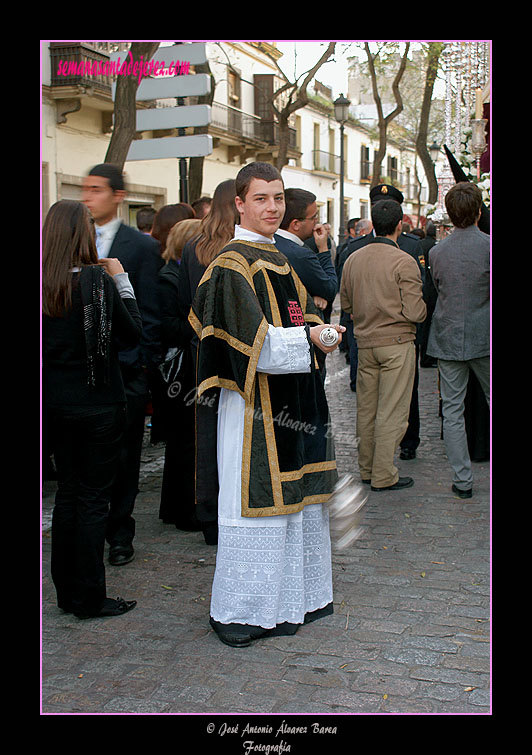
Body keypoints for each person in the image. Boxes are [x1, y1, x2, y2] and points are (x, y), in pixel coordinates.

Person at [189, 162, 345, 648]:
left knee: (296, 507)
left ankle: (295, 599)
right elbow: (259, 346)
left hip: (294, 406)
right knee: (256, 505)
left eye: (278, 198)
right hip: (254, 409)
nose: (272, 207)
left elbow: (305, 310)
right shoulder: (232, 265)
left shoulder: (277, 258)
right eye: (261, 199)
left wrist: (320, 327)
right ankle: (241, 611)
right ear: (239, 203)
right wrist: (313, 338)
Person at [42, 199, 141, 619]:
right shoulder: (98, 282)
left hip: (55, 402)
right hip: (98, 402)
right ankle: (88, 596)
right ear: (84, 235)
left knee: (68, 493)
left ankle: (67, 590)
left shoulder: (46, 283)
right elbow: (131, 333)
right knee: (92, 500)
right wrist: (123, 281)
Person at [82, 163, 163, 567]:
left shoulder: (140, 247)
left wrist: (141, 367)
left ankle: (119, 532)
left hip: (126, 370)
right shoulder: (70, 240)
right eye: (84, 189)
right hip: (82, 373)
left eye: (96, 189)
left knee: (126, 457)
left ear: (117, 195)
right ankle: (89, 531)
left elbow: (148, 312)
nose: (87, 197)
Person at [340, 199, 426, 491]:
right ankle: (384, 474)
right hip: (397, 342)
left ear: (373, 225)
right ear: (400, 225)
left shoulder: (353, 259)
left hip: (365, 343)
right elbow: (415, 312)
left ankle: (366, 468)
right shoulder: (404, 261)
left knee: (366, 409)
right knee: (392, 411)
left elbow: (348, 305)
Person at [426, 182, 490, 499]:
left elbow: (438, 290)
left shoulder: (437, 252)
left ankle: (462, 480)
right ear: (479, 211)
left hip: (449, 336)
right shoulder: (489, 247)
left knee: (452, 411)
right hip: (485, 337)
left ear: (449, 216)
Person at [157, 217, 203, 531]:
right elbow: (168, 327)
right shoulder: (169, 278)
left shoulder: (176, 274)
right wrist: (199, 323)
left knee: (184, 442)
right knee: (184, 442)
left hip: (184, 366)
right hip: (179, 370)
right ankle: (182, 510)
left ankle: (177, 508)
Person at [274, 188, 337, 314]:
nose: (317, 222)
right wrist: (323, 249)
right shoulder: (300, 255)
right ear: (296, 224)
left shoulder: (272, 242)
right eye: (313, 217)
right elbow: (330, 288)